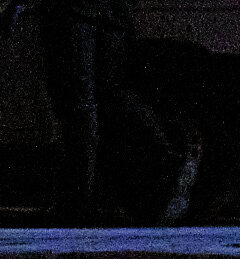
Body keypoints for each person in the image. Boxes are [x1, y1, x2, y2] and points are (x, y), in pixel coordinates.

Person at [29, 0, 198, 223]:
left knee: (80, 107)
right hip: (113, 9)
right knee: (112, 96)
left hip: (72, 12)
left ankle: (78, 201)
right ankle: (171, 160)